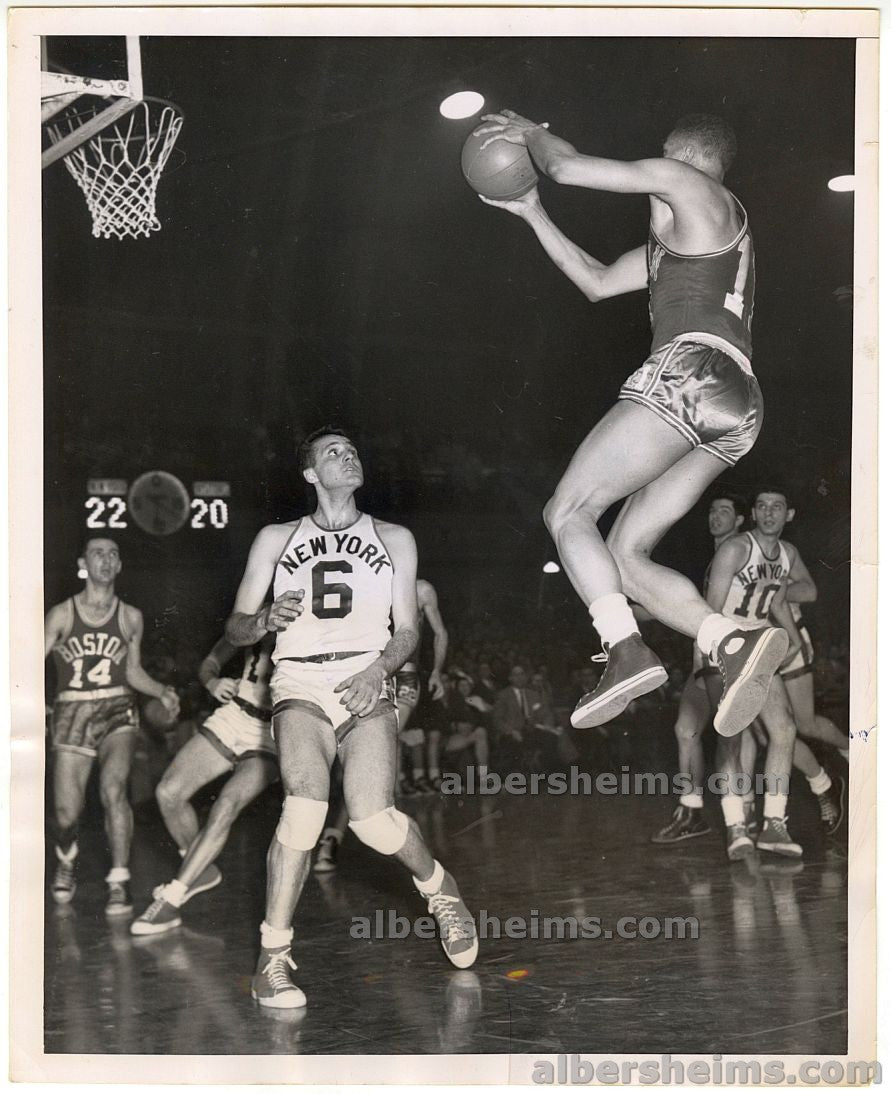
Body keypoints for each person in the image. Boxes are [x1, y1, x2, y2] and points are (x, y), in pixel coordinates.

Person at [474, 110, 787, 737]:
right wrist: (532, 209)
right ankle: (729, 641)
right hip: (735, 402)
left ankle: (625, 650)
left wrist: (527, 131)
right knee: (621, 555)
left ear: (682, 155)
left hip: (692, 373)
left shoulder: (692, 184)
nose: (651, 174)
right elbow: (594, 281)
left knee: (568, 512)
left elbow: (564, 164)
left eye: (660, 158)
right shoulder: (689, 238)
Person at [224, 427, 477, 1008]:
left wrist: (378, 671)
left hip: (368, 674)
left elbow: (409, 630)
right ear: (310, 473)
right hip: (299, 680)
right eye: (332, 453)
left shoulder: (394, 538)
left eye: (353, 449)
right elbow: (235, 625)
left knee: (371, 822)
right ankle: (274, 956)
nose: (348, 455)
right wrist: (262, 621)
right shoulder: (275, 538)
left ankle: (440, 891)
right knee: (306, 805)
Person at [45, 537, 180, 915]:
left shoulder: (130, 616)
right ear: (83, 564)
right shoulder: (61, 614)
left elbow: (132, 671)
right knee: (65, 813)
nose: (105, 560)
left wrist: (162, 691)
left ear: (119, 565)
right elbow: (25, 662)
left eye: (113, 554)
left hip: (118, 707)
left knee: (114, 789)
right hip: (72, 709)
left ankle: (119, 880)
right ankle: (67, 857)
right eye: (97, 553)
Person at [130, 634, 279, 935]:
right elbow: (211, 661)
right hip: (235, 713)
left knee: (226, 804)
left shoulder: (318, 622)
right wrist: (211, 681)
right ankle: (201, 868)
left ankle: (173, 897)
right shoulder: (258, 616)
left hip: (275, 729)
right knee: (168, 792)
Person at [706, 489, 821, 859]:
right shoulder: (736, 549)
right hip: (724, 646)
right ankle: (735, 826)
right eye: (761, 506)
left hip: (758, 647)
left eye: (777, 507)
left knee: (784, 729)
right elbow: (708, 612)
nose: (768, 512)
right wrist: (710, 661)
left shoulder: (786, 554)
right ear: (753, 513)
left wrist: (794, 640)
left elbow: (774, 599)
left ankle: (774, 824)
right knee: (732, 736)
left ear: (789, 514)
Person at [313, 576, 449, 873]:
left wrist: (437, 671)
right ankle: (395, 838)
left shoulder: (422, 588)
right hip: (366, 674)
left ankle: (333, 838)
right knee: (357, 762)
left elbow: (439, 633)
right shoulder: (365, 579)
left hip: (405, 678)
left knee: (370, 758)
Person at [651, 493, 745, 844]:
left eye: (725, 510)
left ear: (739, 520)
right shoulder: (715, 558)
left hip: (730, 659)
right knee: (685, 729)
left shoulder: (738, 550)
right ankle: (691, 810)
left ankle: (741, 818)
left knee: (736, 741)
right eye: (712, 510)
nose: (715, 516)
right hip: (704, 660)